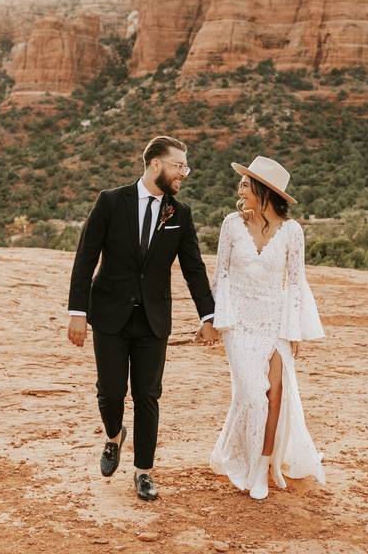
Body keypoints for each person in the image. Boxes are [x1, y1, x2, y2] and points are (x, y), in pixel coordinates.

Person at [67, 135, 219, 501]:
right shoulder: (110, 202)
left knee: (148, 395)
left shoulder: (179, 214)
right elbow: (86, 256)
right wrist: (77, 312)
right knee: (110, 392)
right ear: (156, 165)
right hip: (109, 315)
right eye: (179, 165)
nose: (185, 172)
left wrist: (208, 315)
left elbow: (194, 268)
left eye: (186, 166)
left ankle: (144, 472)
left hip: (153, 319)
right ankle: (113, 435)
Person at [209, 155, 325, 500]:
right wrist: (214, 322)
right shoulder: (231, 224)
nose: (239, 189)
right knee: (250, 394)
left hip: (274, 323)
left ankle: (261, 467)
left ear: (263, 191)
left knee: (275, 396)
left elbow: (295, 282)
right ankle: (240, 458)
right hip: (239, 324)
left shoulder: (292, 232)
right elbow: (222, 275)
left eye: (245, 184)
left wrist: (291, 332)